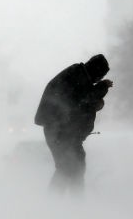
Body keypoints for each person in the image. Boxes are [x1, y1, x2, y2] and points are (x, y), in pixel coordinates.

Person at [34, 54, 112, 193]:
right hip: (60, 131)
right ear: (96, 70)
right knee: (68, 168)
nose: (99, 79)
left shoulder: (79, 75)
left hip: (65, 132)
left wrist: (97, 99)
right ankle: (66, 206)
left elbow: (82, 102)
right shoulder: (77, 76)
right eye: (100, 75)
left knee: (73, 168)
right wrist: (102, 88)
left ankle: (67, 207)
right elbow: (83, 100)